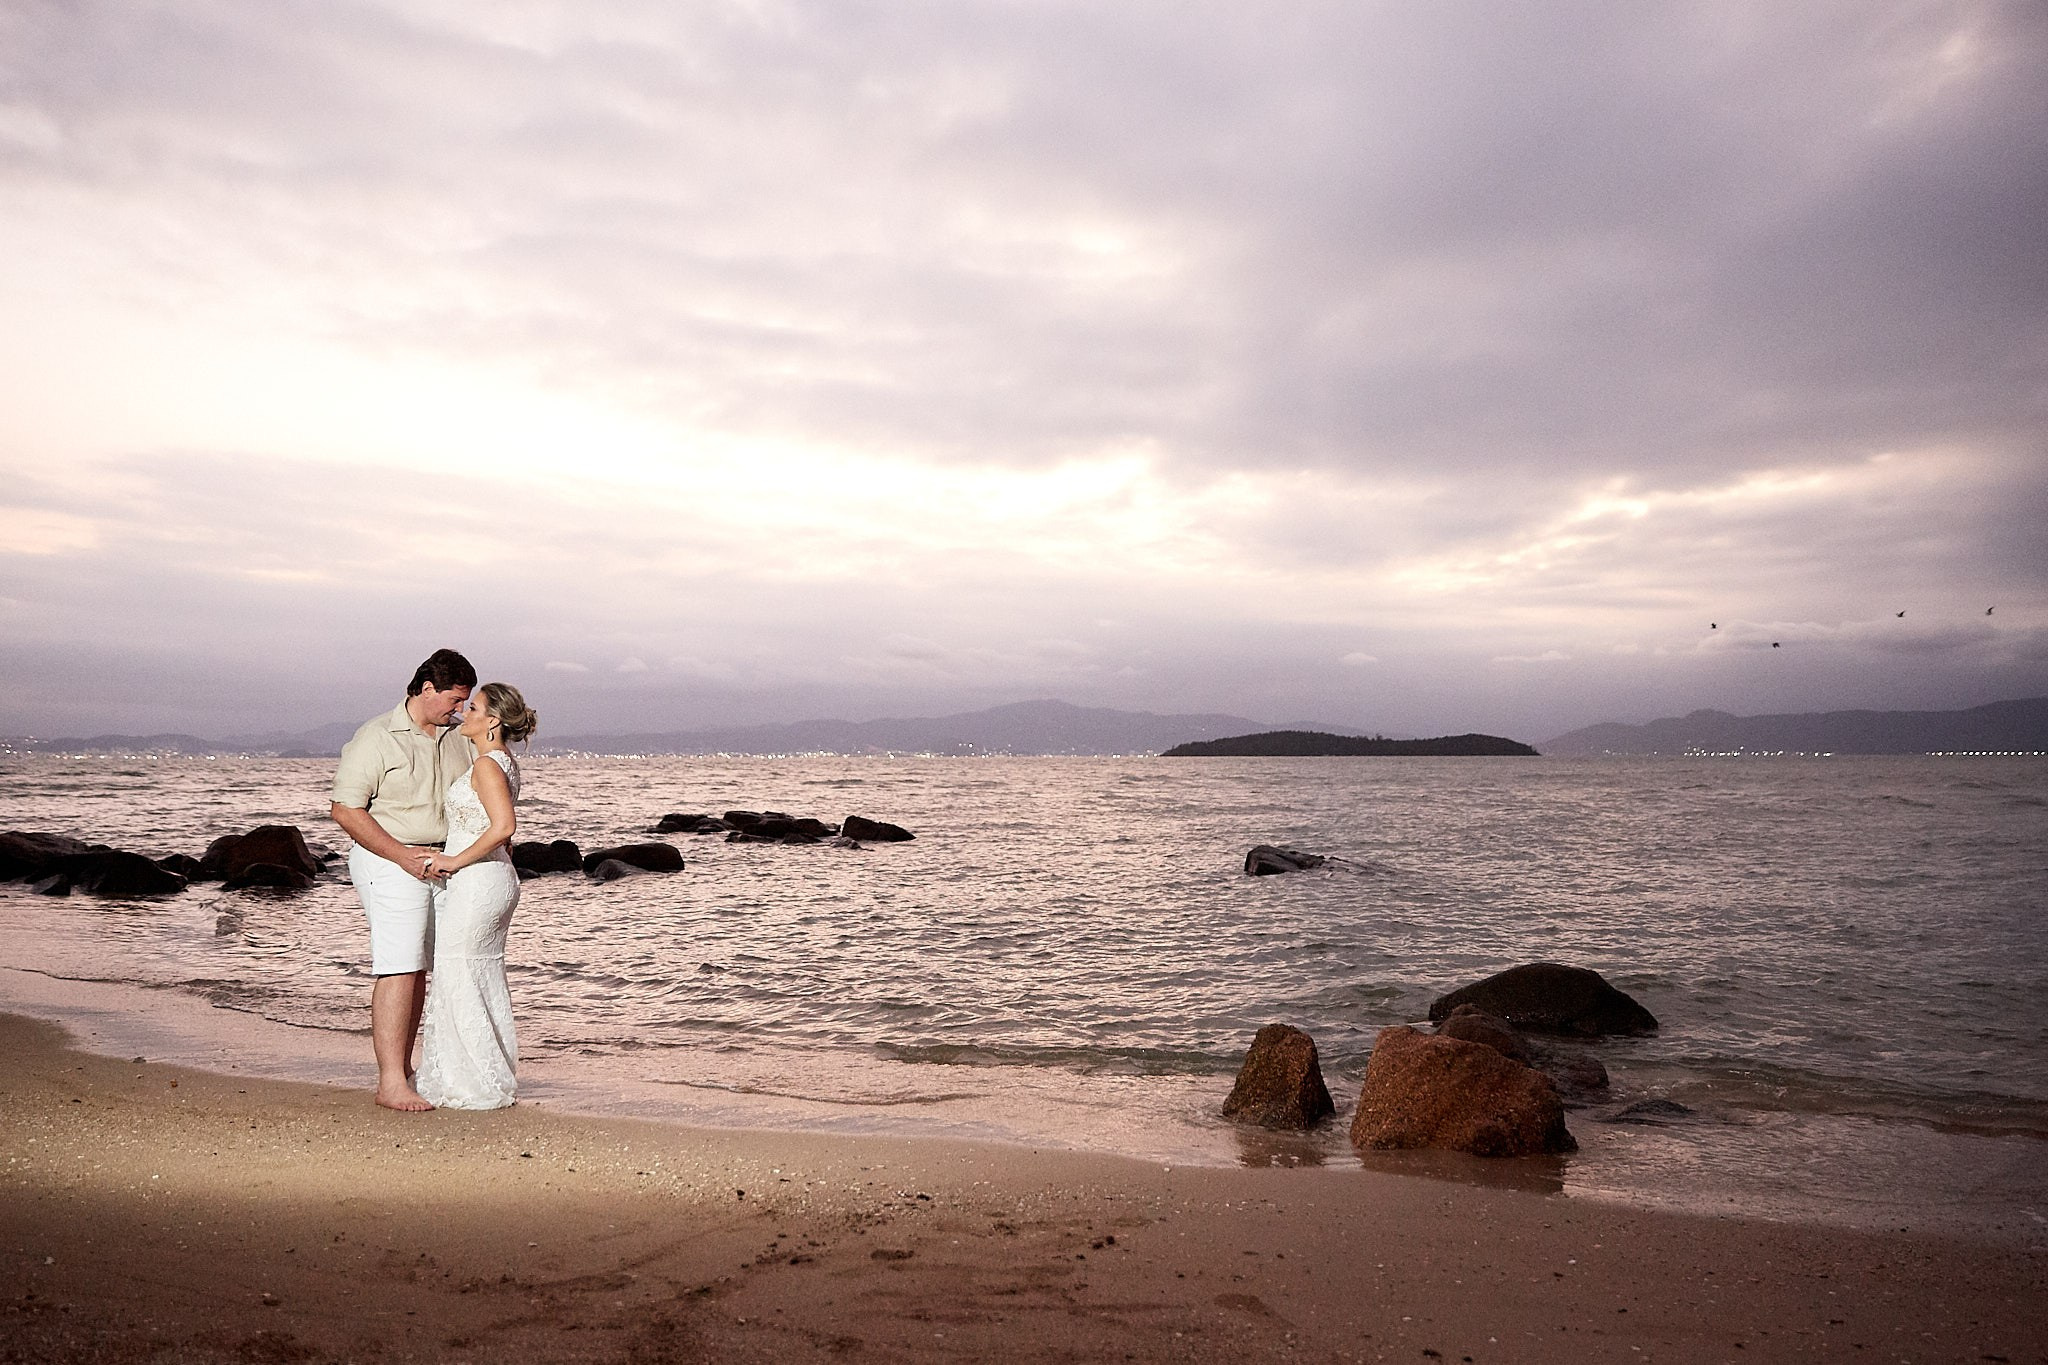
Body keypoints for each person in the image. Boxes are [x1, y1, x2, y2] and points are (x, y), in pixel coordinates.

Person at [329, 649, 477, 1111]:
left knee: (421, 969)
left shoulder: (458, 738)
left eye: (465, 701)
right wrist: (402, 856)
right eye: (455, 699)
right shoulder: (375, 737)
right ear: (427, 688)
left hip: (442, 863)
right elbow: (345, 809)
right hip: (387, 859)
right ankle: (389, 1082)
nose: (459, 709)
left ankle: (406, 1069)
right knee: (399, 965)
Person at [414, 682, 537, 1110]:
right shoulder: (503, 762)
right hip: (490, 879)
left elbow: (504, 827)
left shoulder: (488, 766)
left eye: (475, 707)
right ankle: (484, 1073)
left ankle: (475, 1082)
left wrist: (453, 862)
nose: (465, 710)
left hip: (480, 881)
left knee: (460, 973)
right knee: (476, 974)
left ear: (493, 721)